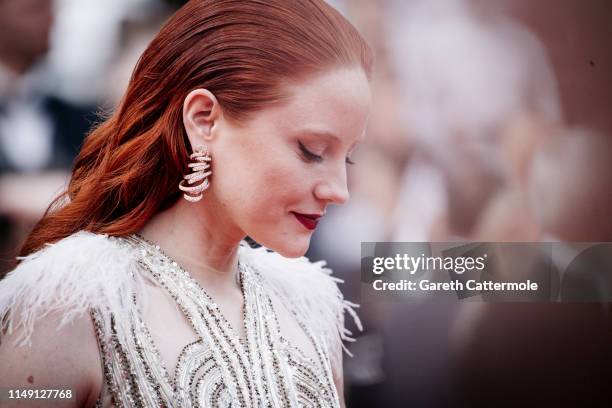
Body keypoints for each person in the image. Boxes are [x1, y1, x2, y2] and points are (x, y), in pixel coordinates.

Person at [0, 0, 372, 407]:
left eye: (348, 156)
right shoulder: (72, 304)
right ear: (203, 119)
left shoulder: (312, 308)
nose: (339, 190)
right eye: (311, 150)